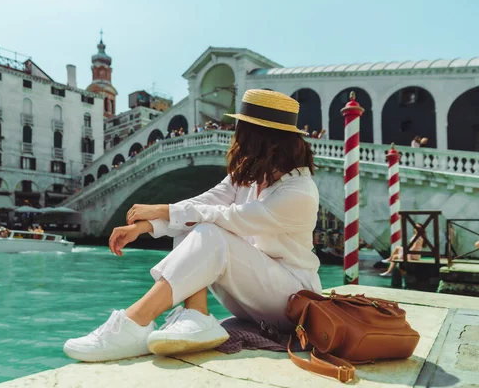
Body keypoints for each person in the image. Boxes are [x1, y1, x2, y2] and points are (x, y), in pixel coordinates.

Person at [63, 89, 322, 363]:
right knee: (191, 222)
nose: (235, 136)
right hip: (255, 296)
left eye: (241, 129)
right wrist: (145, 226)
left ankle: (136, 321)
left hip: (292, 303)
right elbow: (200, 204)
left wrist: (161, 209)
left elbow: (229, 217)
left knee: (209, 226)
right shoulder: (249, 177)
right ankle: (196, 315)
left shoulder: (299, 192)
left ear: (260, 137)